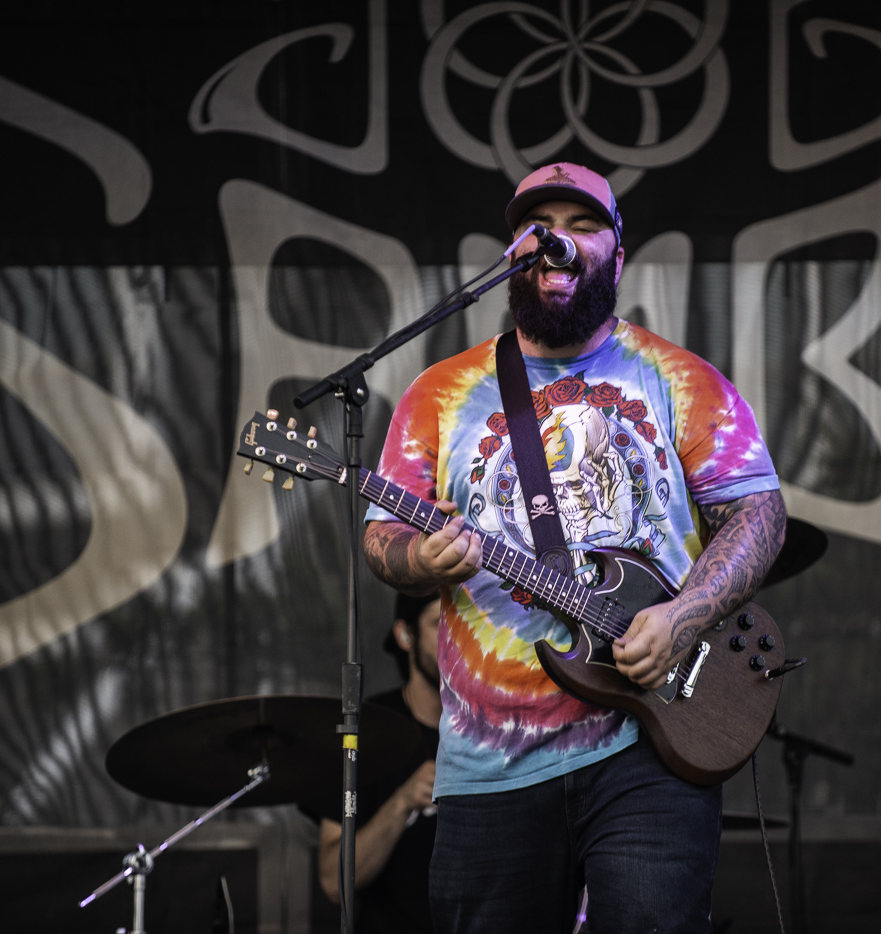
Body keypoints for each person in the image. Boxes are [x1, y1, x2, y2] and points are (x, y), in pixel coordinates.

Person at [362, 162, 787, 933]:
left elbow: (759, 514)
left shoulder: (678, 378)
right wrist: (419, 562)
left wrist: (685, 616)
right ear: (515, 252)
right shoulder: (438, 393)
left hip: (649, 747)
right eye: (540, 223)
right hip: (487, 765)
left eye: (584, 224)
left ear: (618, 258)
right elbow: (382, 536)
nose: (557, 237)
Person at [316, 591, 442, 933]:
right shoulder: (366, 729)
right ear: (405, 635)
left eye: (464, 625)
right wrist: (403, 802)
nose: (455, 638)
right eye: (439, 622)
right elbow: (332, 880)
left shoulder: (495, 730)